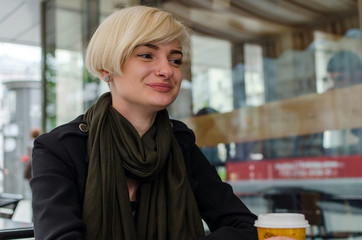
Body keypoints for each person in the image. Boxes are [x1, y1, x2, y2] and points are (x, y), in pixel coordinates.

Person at [30, 5, 258, 240]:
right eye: (147, 55)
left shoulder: (180, 142)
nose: (166, 70)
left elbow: (244, 224)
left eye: (176, 60)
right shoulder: (60, 148)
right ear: (106, 69)